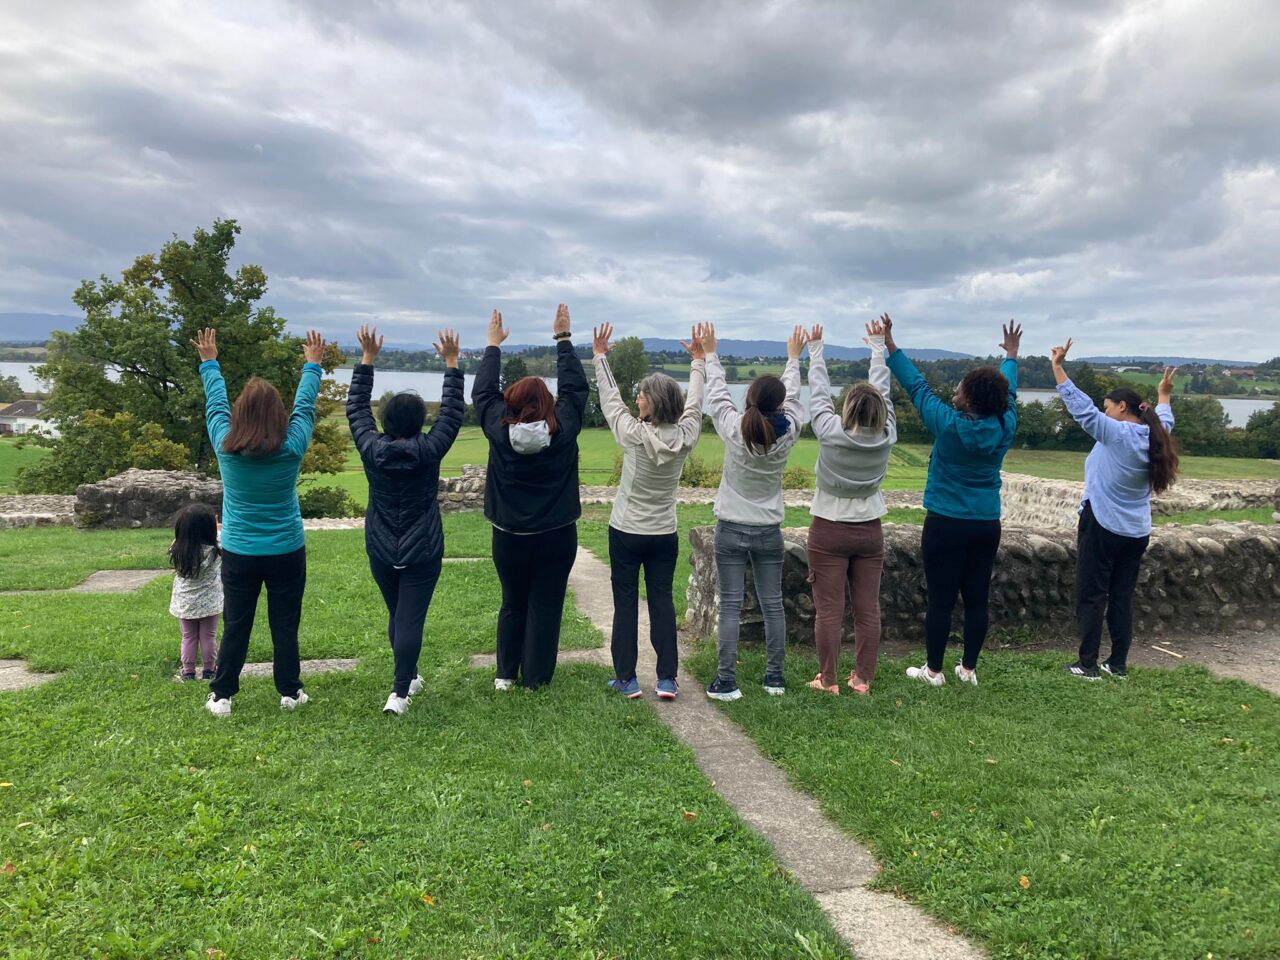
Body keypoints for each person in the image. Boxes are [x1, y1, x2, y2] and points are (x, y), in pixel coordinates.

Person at [191, 326, 325, 717]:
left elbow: (215, 405)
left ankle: (222, 695)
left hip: (239, 552)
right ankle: (290, 692)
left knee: (236, 623)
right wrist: (312, 365)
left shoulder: (225, 446)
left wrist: (210, 362)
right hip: (286, 550)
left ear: (240, 414)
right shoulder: (292, 447)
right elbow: (305, 407)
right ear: (278, 415)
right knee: (285, 624)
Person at [885, 316, 1021, 688]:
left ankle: (933, 671)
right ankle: (968, 669)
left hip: (945, 522)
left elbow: (917, 388)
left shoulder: (949, 424)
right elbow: (1009, 392)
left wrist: (892, 347)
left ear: (970, 399)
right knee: (977, 599)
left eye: (959, 389)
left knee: (941, 600)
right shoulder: (1006, 424)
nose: (954, 393)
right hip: (986, 523)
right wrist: (1011, 357)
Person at [346, 324, 465, 715]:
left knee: (398, 614)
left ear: (385, 422)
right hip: (423, 547)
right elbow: (452, 413)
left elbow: (356, 409)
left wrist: (366, 360)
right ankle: (399, 693)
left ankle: (409, 676)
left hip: (380, 546)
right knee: (409, 618)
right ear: (419, 423)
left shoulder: (370, 447)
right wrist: (452, 363)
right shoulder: (429, 449)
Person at [473, 304, 589, 690]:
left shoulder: (498, 429)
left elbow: (483, 392)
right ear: (549, 404)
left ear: (509, 403)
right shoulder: (564, 428)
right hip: (556, 534)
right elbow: (575, 389)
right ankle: (536, 678)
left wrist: (493, 346)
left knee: (513, 601)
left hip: (509, 534)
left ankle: (505, 675)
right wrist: (563, 339)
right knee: (546, 604)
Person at [592, 321, 707, 700]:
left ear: (652, 402)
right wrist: (698, 363)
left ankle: (626, 679)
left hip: (626, 531)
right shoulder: (686, 436)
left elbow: (609, 399)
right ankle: (666, 679)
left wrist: (600, 357)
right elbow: (695, 403)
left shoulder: (633, 434)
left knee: (625, 604)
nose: (636, 398)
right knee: (661, 603)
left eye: (641, 395)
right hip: (662, 533)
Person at [1051, 341, 1178, 680]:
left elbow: (1082, 410)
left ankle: (1087, 664)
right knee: (1121, 597)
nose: (1104, 412)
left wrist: (1058, 368)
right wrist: (1164, 394)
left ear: (1122, 407)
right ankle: (1117, 663)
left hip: (1103, 524)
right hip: (1136, 531)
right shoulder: (1156, 435)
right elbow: (1164, 417)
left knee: (1092, 595)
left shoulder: (1118, 434)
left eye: (1108, 407)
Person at [703, 323, 808, 701]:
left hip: (731, 527)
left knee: (730, 606)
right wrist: (794, 359)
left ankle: (726, 681)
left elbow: (717, 394)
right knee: (773, 605)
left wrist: (710, 354)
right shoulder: (790, 429)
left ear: (749, 398)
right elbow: (792, 395)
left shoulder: (735, 427)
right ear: (779, 405)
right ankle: (774, 679)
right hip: (768, 530)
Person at [804, 316, 897, 696]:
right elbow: (883, 391)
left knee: (829, 610)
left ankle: (828, 679)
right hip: (869, 528)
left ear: (848, 409)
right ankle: (862, 679)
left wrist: (815, 351)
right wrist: (877, 347)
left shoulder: (831, 432)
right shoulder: (888, 435)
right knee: (867, 609)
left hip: (828, 526)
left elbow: (818, 394)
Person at [169, 503, 222, 682]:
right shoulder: (216, 550)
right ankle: (209, 670)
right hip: (209, 601)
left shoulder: (177, 549)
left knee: (188, 636)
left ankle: (188, 671)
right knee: (209, 636)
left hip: (185, 602)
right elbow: (221, 535)